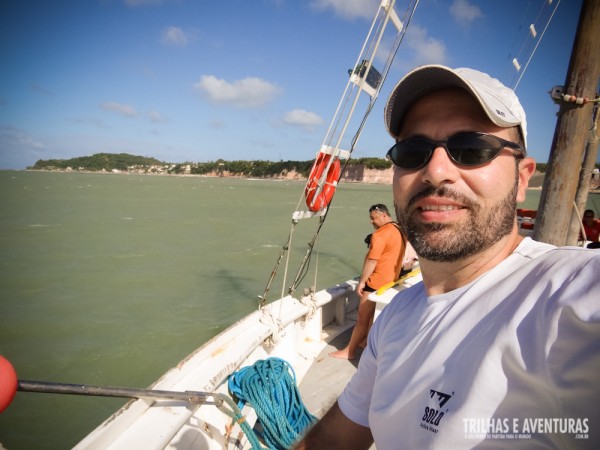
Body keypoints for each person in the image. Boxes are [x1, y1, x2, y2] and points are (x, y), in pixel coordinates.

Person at [295, 65, 600, 449]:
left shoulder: (570, 293)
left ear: (522, 178)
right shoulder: (396, 317)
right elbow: (337, 437)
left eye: (471, 149)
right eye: (413, 152)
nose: (435, 171)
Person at [329, 203, 411, 360]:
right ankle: (366, 341)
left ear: (384, 216)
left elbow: (372, 261)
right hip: (391, 281)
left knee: (362, 318)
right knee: (374, 315)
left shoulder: (379, 235)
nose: (371, 222)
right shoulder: (400, 230)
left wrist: (362, 282)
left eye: (373, 218)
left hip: (375, 282)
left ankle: (349, 351)